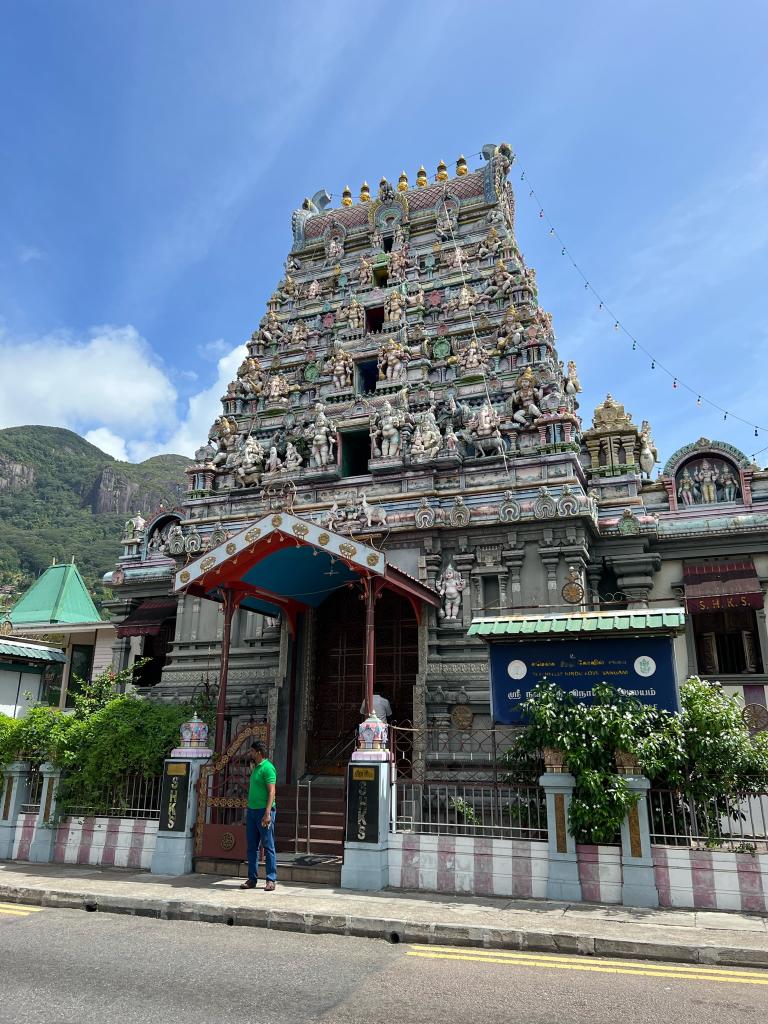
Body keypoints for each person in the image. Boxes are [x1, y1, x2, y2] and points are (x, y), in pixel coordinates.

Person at [240, 740, 277, 891]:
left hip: (264, 812)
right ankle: (252, 878)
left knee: (268, 845)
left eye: (252, 751)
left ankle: (271, 879)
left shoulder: (268, 768)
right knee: (252, 846)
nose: (250, 754)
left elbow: (272, 792)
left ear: (259, 753)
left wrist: (267, 813)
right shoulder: (256, 768)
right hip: (252, 811)